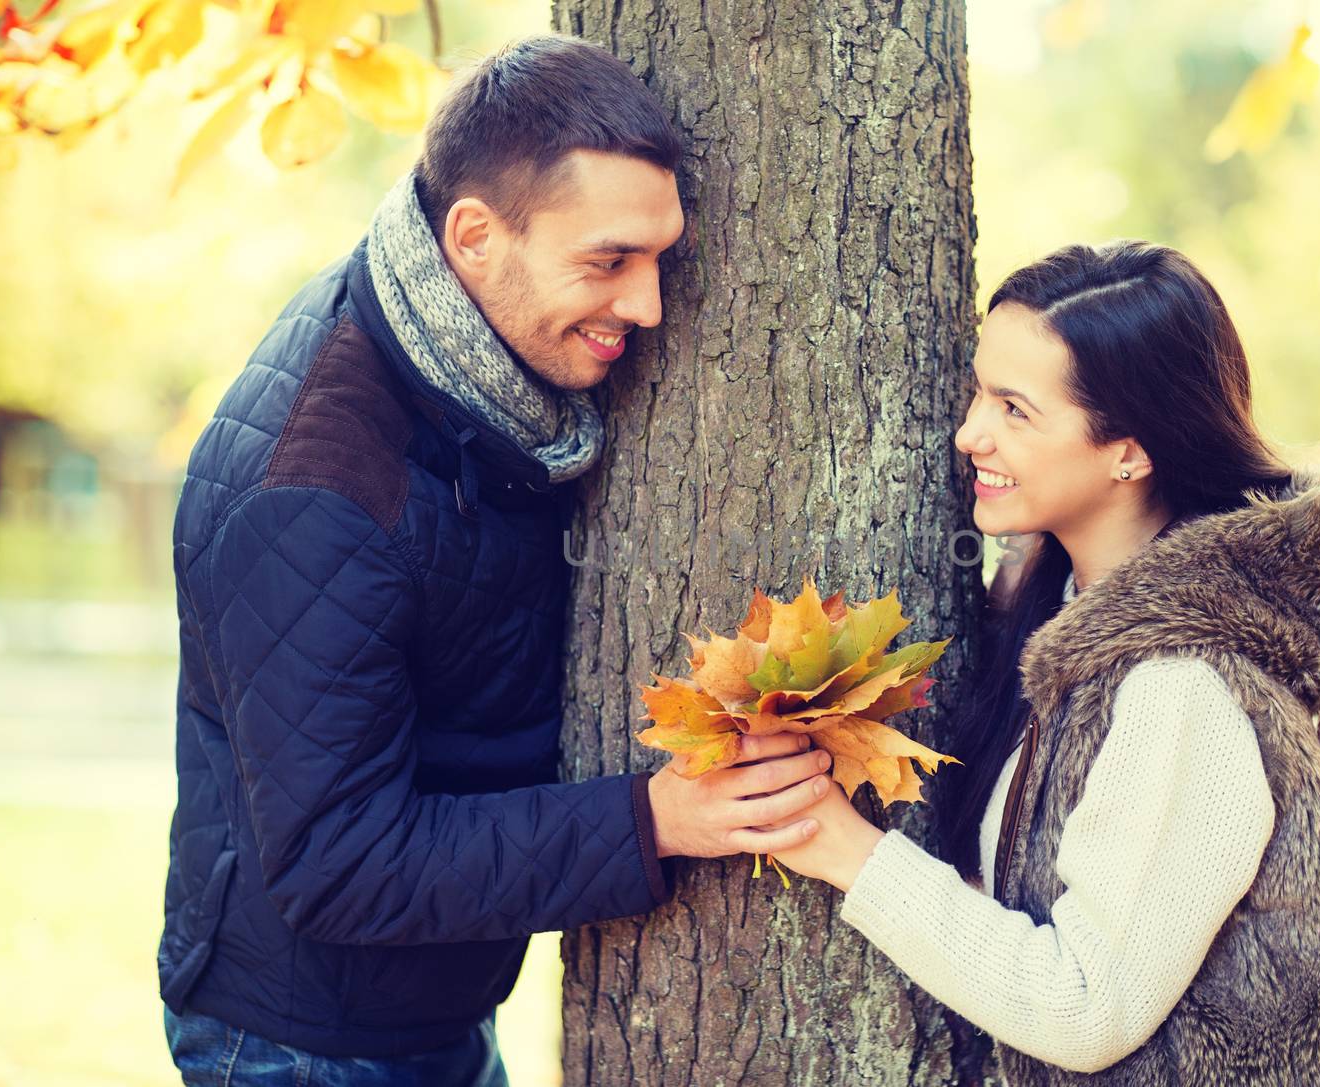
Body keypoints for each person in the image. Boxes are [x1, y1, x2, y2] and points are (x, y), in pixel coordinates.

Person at [158, 36, 829, 1085]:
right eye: (608, 262)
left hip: (432, 1004)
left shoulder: (470, 368)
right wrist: (651, 820)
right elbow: (337, 863)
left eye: (660, 259)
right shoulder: (320, 496)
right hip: (304, 1044)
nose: (648, 307)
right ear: (472, 236)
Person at [766, 241, 1320, 1085]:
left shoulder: (1180, 689)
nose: (970, 433)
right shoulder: (1062, 619)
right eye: (979, 391)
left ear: (1130, 452)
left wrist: (848, 850)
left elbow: (1087, 1006)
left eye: (1015, 409)